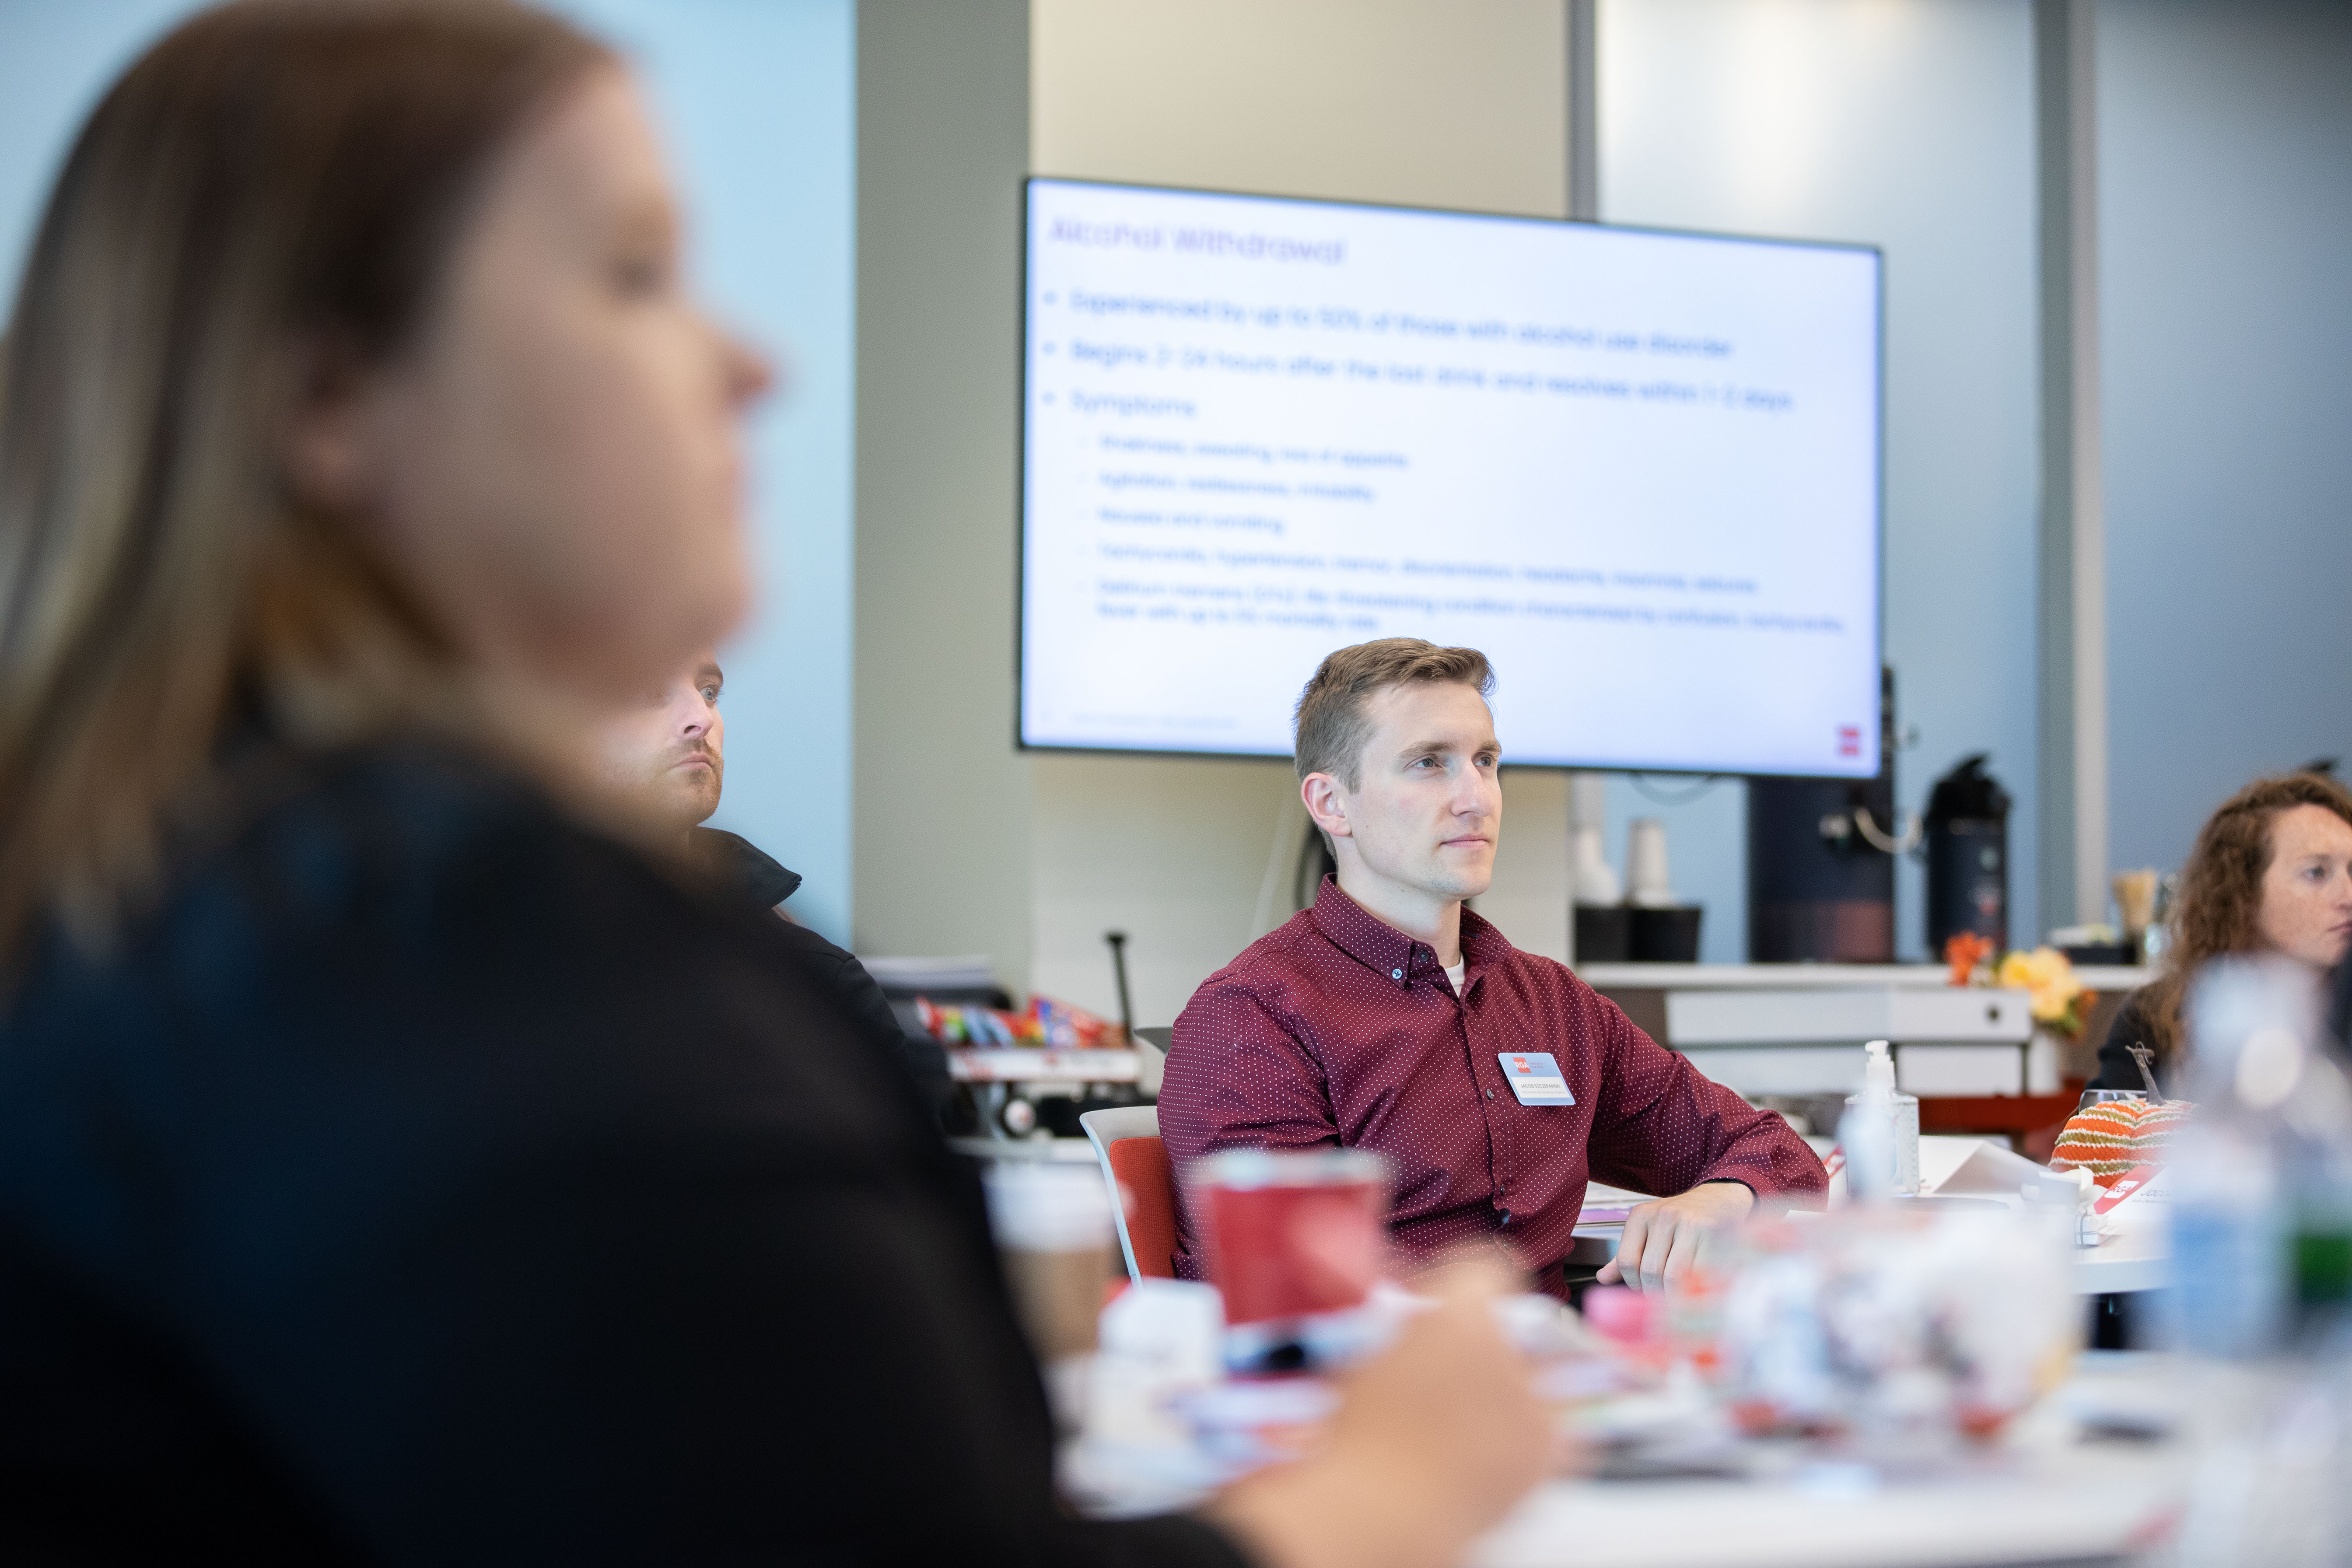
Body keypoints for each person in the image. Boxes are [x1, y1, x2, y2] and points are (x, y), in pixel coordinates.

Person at [0, 5, 1547, 1564]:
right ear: (328, 402)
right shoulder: (502, 982)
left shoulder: (164, 917)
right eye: (631, 274)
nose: (751, 361)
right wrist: (1384, 1490)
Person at [1159, 640, 1827, 1298]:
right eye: (1428, 763)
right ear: (1332, 804)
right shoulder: (1252, 1017)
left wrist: (1724, 1198)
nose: (1476, 796)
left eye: (1485, 760)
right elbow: (1297, 1279)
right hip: (1384, 1392)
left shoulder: (1550, 1003)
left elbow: (1775, 1153)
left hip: (1554, 1381)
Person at [592, 651, 944, 1106]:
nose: (700, 718)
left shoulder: (818, 990)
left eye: (710, 692)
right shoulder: (496, 967)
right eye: (652, 692)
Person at [2089, 772, 2352, 1096]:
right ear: (2245, 893)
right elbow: (2101, 1140)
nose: (2348, 897)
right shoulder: (2159, 1016)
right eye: (2316, 873)